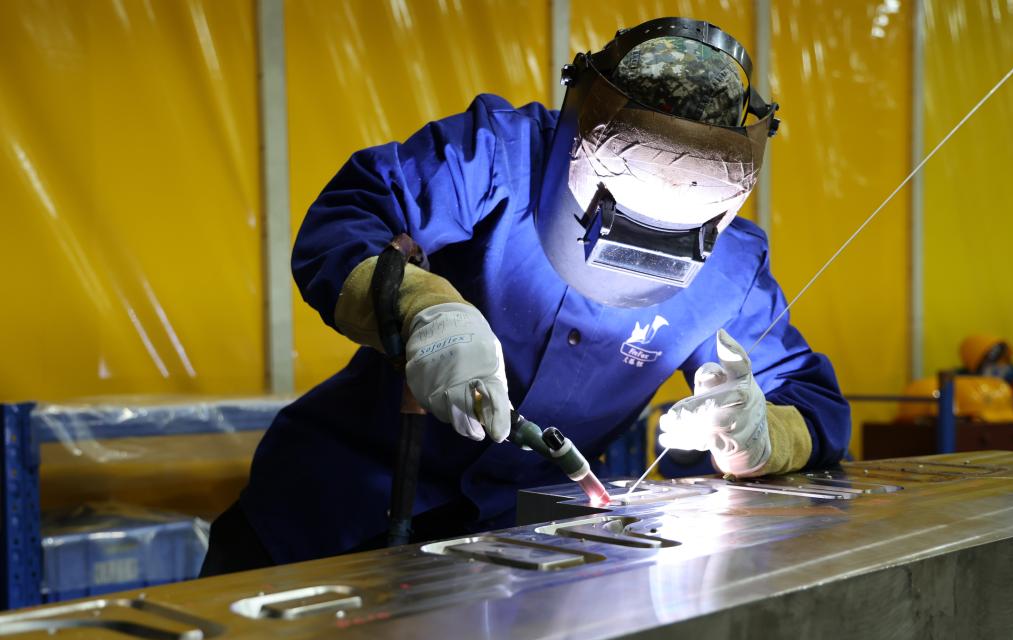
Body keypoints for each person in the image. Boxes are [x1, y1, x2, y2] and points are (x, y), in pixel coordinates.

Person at [201, 17, 851, 575]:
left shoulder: (730, 270)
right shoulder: (497, 154)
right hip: (323, 514)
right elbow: (348, 217)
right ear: (583, 127)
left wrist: (762, 433)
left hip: (511, 559)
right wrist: (425, 308)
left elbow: (812, 401)